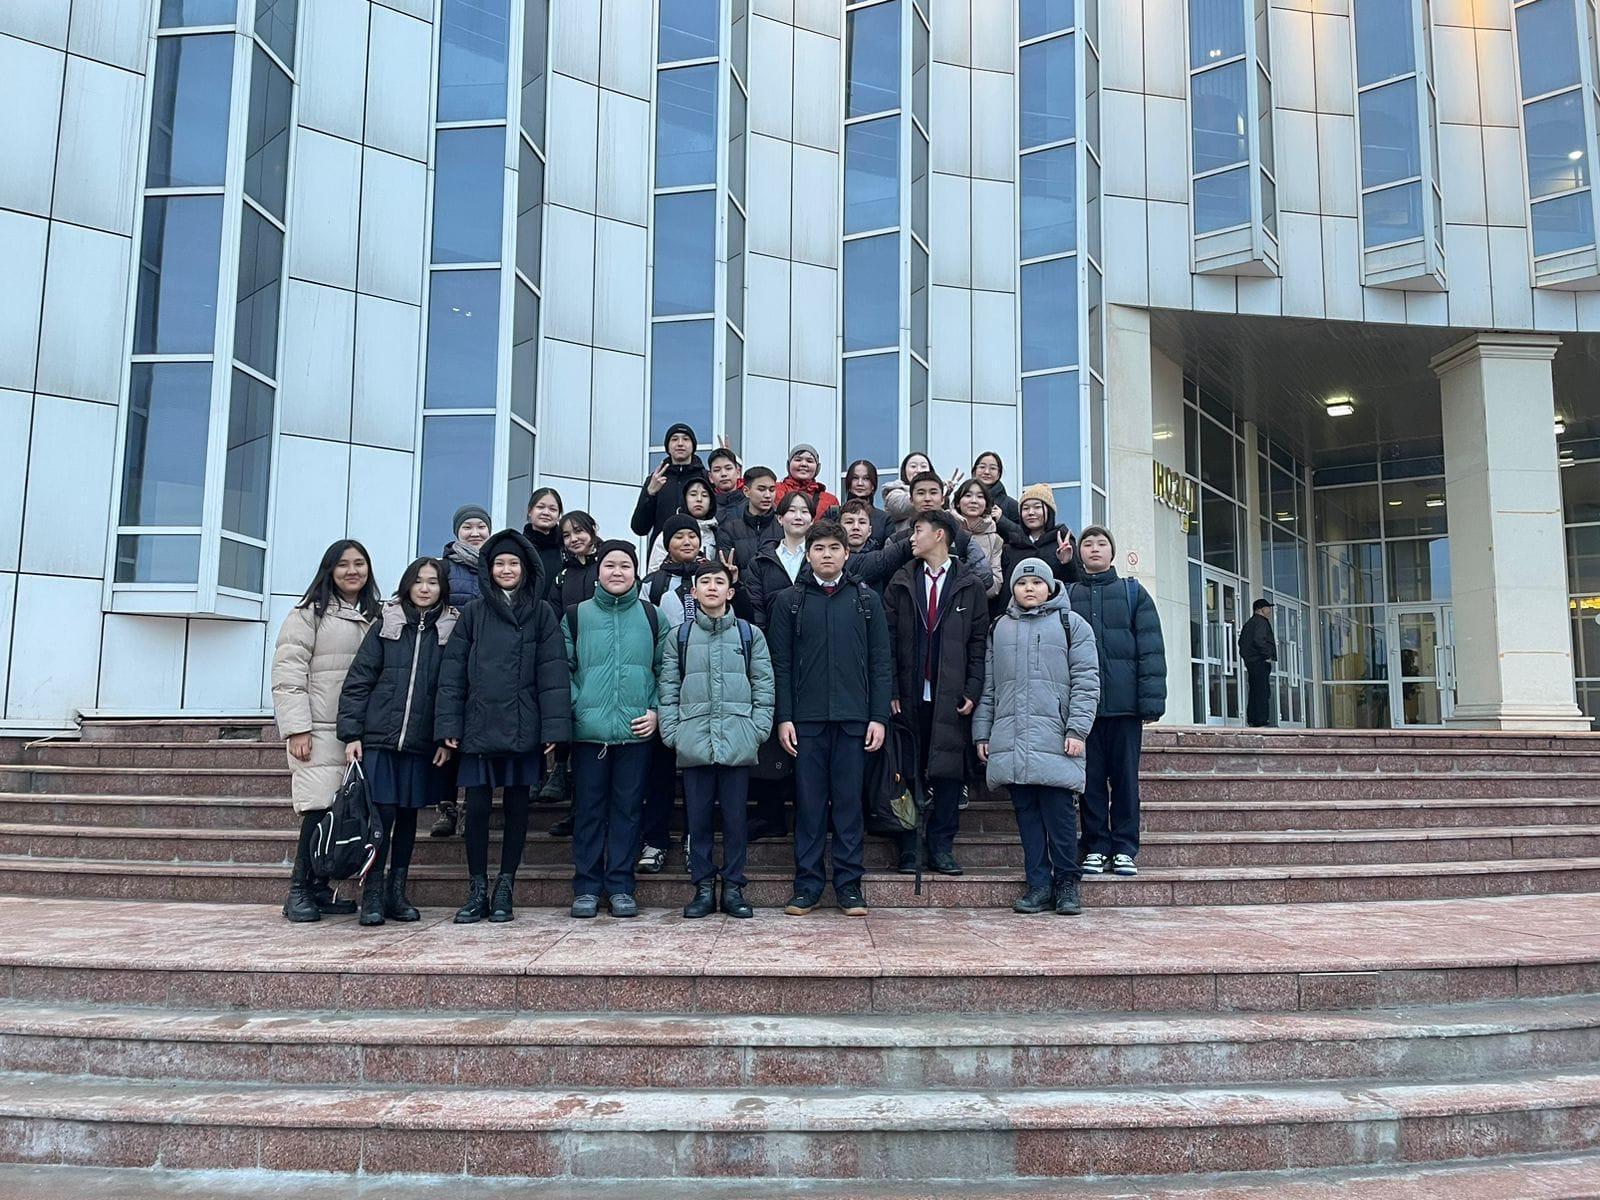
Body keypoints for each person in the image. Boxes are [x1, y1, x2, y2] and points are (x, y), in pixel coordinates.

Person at [435, 530, 572, 923]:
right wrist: (449, 723)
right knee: (477, 808)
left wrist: (553, 730)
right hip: (478, 724)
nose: (507, 569)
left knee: (517, 808)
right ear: (488, 569)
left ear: (525, 569)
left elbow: (553, 674)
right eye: (499, 563)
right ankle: (477, 887)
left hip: (523, 723)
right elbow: (452, 673)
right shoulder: (474, 613)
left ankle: (505, 887)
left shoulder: (541, 613)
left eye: (513, 563)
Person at [768, 519, 893, 916]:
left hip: (855, 720)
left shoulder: (866, 600)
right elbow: (780, 664)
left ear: (846, 553)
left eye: (834, 548)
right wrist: (784, 717)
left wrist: (878, 717)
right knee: (808, 805)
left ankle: (849, 885)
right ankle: (806, 885)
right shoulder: (789, 601)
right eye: (819, 548)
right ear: (808, 554)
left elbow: (881, 663)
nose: (826, 555)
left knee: (849, 804)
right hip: (805, 722)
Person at [336, 557, 460, 926]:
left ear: (442, 588)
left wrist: (445, 739)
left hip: (423, 744)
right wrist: (351, 734)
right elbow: (359, 680)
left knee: (408, 819)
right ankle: (372, 891)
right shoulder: (386, 623)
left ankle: (396, 892)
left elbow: (452, 688)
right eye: (418, 581)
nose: (425, 588)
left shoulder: (451, 629)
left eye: (432, 582)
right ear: (407, 585)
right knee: (381, 817)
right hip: (380, 739)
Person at [974, 558, 1101, 915]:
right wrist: (982, 732)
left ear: (1050, 587)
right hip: (1012, 737)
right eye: (1021, 583)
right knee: (1027, 817)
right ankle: (1038, 885)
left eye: (1036, 582)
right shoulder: (1000, 627)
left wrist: (1077, 729)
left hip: (1056, 737)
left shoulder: (1071, 624)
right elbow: (989, 687)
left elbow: (1087, 682)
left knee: (1060, 817)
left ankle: (1066, 884)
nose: (1029, 588)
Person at [271, 540, 382, 922]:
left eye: (359, 564)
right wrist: (297, 728)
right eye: (343, 564)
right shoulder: (308, 614)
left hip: (355, 729)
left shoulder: (374, 614)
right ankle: (298, 891)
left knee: (342, 809)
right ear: (329, 570)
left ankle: (319, 887)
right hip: (317, 729)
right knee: (318, 810)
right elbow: (288, 674)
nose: (352, 571)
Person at [658, 560, 775, 919]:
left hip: (737, 739)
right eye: (705, 582)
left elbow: (764, 686)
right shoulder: (679, 637)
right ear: (693, 592)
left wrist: (757, 730)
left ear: (730, 591)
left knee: (736, 820)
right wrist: (673, 733)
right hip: (694, 739)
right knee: (698, 819)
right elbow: (668, 688)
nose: (712, 587)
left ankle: (734, 886)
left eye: (719, 582)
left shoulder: (749, 634)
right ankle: (703, 887)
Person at [565, 540, 673, 918]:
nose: (617, 572)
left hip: (636, 732)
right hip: (588, 733)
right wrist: (576, 708)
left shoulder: (652, 616)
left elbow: (666, 670)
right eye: (610, 565)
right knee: (589, 812)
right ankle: (586, 887)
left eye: (625, 566)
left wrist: (656, 711)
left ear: (636, 573)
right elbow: (564, 670)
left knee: (628, 811)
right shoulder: (576, 615)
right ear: (598, 571)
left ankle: (621, 886)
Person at [883, 509, 988, 876]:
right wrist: (891, 688)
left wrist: (973, 688)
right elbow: (887, 642)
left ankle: (942, 847)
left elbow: (978, 644)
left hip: (951, 695)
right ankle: (908, 846)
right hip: (909, 694)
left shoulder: (969, 584)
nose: (912, 538)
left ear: (940, 535)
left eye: (918, 530)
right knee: (907, 771)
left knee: (948, 773)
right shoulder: (901, 581)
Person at [1067, 525, 1167, 878]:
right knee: (1090, 780)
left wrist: (1151, 703)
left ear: (1112, 552)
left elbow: (1151, 649)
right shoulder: (1069, 594)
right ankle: (1096, 845)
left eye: (1101, 543)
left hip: (1125, 707)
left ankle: (1125, 847)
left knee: (1125, 781)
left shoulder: (1132, 593)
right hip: (1084, 710)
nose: (1094, 548)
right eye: (1088, 544)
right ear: (1079, 553)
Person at [543, 509, 603, 833]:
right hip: (572, 661)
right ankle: (577, 812)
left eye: (579, 531)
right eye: (567, 535)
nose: (574, 539)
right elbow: (553, 615)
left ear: (593, 530)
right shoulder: (562, 575)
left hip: (603, 661)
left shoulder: (606, 565)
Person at [738, 490, 816, 626]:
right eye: (792, 511)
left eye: (804, 511)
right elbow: (756, 607)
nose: (798, 517)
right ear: (780, 519)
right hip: (773, 632)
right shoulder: (761, 561)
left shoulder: (820, 558)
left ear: (812, 521)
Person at [631, 422, 707, 556]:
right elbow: (639, 528)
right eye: (674, 439)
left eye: (685, 439)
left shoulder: (705, 478)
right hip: (661, 555)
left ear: (693, 446)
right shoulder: (656, 479)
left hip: (698, 553)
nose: (680, 443)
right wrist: (649, 494)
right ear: (668, 447)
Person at [1000, 484, 1082, 588]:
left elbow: (1078, 585)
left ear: (1049, 511)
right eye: (1025, 508)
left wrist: (1068, 563)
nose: (1030, 512)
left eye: (1037, 507)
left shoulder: (1063, 544)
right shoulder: (1012, 546)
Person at [647, 474, 718, 572]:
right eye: (693, 494)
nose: (699, 499)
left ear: (711, 502)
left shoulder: (717, 534)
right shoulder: (669, 531)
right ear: (685, 499)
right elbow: (654, 571)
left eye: (705, 495)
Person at [950, 478, 1005, 602]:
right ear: (958, 502)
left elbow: (996, 584)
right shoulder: (945, 528)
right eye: (968, 495)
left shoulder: (995, 539)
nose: (974, 501)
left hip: (976, 603)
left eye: (980, 497)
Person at [719, 465, 779, 564]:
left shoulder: (783, 527)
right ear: (746, 491)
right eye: (761, 489)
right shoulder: (730, 530)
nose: (768, 495)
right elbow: (724, 566)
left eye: (772, 490)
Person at [829, 459, 890, 543]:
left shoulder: (885, 519)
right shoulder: (833, 513)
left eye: (866, 479)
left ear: (873, 485)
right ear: (848, 483)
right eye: (855, 478)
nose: (860, 483)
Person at [441, 505, 490, 606]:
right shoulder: (443, 568)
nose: (475, 534)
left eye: (481, 527)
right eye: (467, 527)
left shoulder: (499, 567)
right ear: (457, 532)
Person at [774, 443, 840, 516]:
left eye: (809, 461)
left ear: (817, 468)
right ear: (788, 465)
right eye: (798, 460)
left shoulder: (830, 501)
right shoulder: (774, 491)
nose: (803, 464)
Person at [1240, 597, 1278, 728]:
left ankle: (1253, 718)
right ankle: (1261, 720)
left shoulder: (1249, 623)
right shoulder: (1261, 622)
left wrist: (1248, 657)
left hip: (1251, 662)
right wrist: (1266, 655)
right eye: (1267, 608)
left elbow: (1242, 643)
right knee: (1262, 691)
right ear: (1260, 609)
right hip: (1260, 661)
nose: (1269, 610)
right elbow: (1259, 640)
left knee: (1255, 690)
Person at [882, 452, 939, 536]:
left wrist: (945, 493)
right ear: (904, 470)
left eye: (923, 466)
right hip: (906, 540)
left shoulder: (939, 494)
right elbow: (901, 507)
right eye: (913, 466)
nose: (918, 470)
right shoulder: (895, 492)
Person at [523, 487, 565, 601]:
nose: (546, 513)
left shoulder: (567, 547)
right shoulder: (519, 545)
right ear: (530, 511)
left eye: (552, 509)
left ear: (559, 515)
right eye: (540, 507)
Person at [972, 451, 1021, 525]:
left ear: (998, 474)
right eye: (982, 467)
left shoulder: (1011, 505)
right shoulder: (964, 500)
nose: (987, 472)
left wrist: (1001, 520)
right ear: (974, 472)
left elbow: (1021, 532)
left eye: (992, 468)